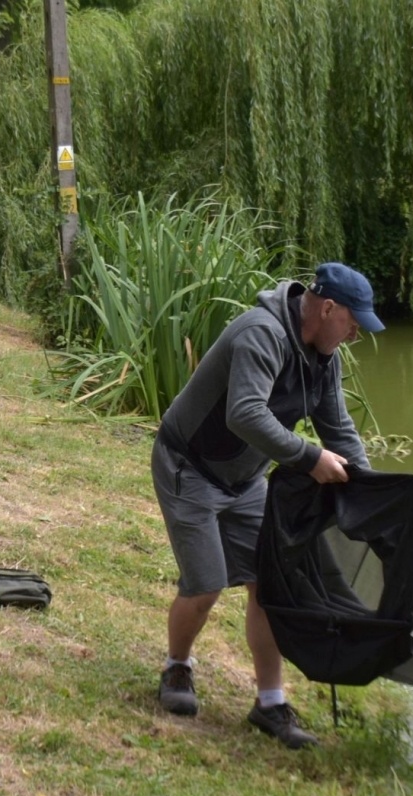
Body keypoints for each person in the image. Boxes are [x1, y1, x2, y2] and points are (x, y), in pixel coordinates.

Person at [152, 262, 384, 748]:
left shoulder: (325, 358)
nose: (356, 333)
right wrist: (308, 458)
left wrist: (369, 491)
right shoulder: (263, 333)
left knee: (269, 584)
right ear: (327, 308)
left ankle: (270, 703)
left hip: (247, 479)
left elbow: (338, 429)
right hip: (188, 466)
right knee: (205, 585)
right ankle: (177, 668)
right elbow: (245, 414)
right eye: (353, 322)